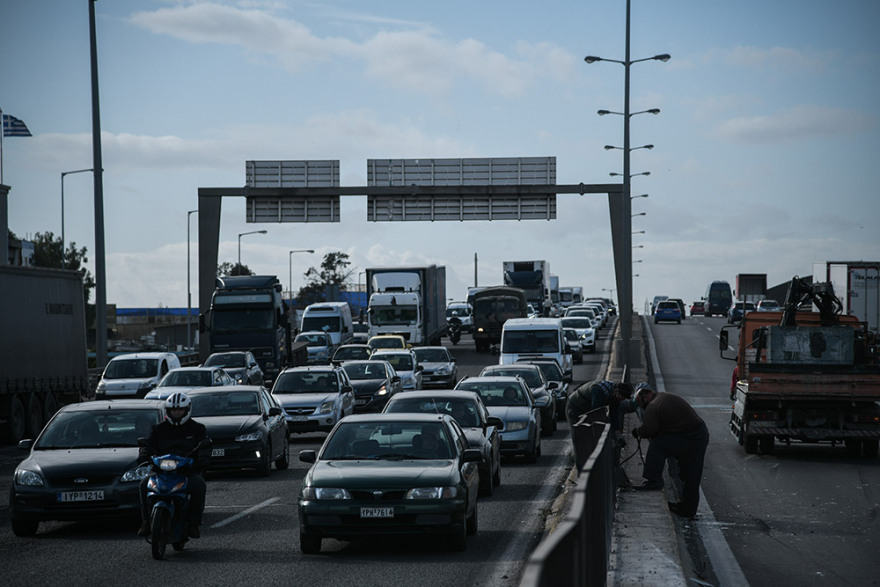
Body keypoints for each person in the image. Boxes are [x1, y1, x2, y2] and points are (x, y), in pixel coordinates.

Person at [630, 383, 710, 519]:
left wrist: (637, 432)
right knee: (689, 473)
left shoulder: (653, 405)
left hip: (692, 437)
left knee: (659, 444)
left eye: (640, 402)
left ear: (646, 395)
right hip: (696, 435)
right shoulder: (661, 398)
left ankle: (654, 480)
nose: (641, 406)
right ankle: (688, 508)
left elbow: (649, 429)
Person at [137, 392, 211, 538]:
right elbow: (147, 444)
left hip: (186, 470)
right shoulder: (158, 429)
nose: (177, 412)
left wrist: (202, 460)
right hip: (161, 471)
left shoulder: (197, 428)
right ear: (168, 411)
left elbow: (205, 446)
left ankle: (193, 524)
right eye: (173, 410)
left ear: (186, 410)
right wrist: (144, 456)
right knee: (143, 484)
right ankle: (146, 522)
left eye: (180, 410)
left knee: (199, 486)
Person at [565, 380, 633, 434]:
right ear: (616, 391)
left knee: (589, 434)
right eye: (622, 397)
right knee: (579, 434)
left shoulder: (615, 397)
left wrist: (618, 435)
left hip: (585, 407)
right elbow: (596, 415)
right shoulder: (599, 392)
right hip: (575, 406)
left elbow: (614, 416)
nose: (621, 400)